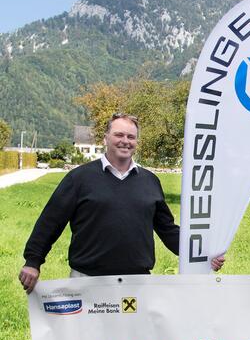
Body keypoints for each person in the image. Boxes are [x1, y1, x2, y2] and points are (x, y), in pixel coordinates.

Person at [19, 113, 223, 293]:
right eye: (119, 135)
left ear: (136, 142)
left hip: (137, 284)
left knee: (136, 338)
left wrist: (203, 254)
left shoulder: (150, 181)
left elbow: (168, 230)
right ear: (105, 138)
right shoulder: (79, 178)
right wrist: (33, 261)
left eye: (131, 137)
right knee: (89, 338)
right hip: (87, 282)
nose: (125, 141)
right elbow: (50, 221)